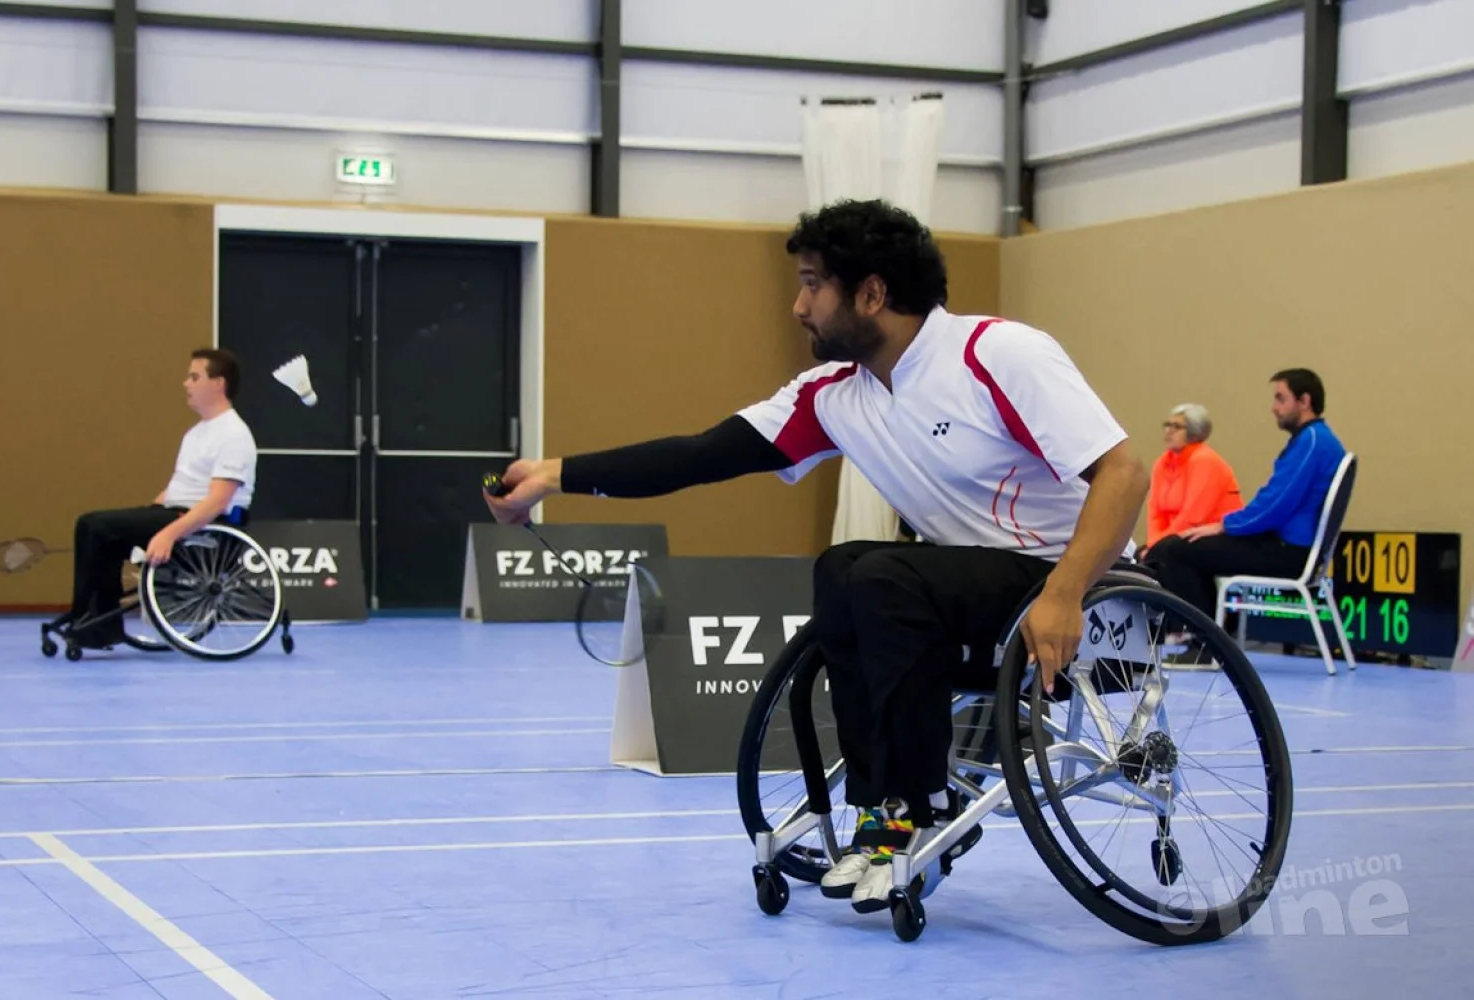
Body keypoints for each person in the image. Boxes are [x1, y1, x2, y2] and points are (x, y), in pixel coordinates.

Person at [484, 199, 1148, 914]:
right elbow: (700, 455)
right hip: (967, 593)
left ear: (871, 293)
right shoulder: (834, 395)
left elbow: (1123, 473)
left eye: (811, 285)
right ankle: (880, 815)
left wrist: (1065, 592)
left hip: (1088, 589)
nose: (798, 307)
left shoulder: (997, 354)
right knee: (843, 569)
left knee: (888, 573)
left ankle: (918, 808)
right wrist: (556, 473)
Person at [57, 348, 257, 649]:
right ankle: (97, 622)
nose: (185, 384)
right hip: (174, 513)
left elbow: (217, 502)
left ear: (218, 383)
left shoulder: (234, 434)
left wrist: (167, 534)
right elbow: (177, 488)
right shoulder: (196, 433)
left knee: (95, 525)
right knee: (97, 531)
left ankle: (88, 619)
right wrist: (146, 515)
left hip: (204, 526)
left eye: (194, 377)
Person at [1145, 369, 1345, 628]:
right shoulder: (1315, 440)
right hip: (1287, 546)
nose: (1274, 408)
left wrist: (1224, 526)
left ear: (1304, 401)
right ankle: (1211, 638)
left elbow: (1274, 505)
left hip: (1289, 551)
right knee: (1180, 547)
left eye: (1280, 398)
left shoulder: (1313, 442)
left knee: (1175, 551)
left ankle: (1204, 644)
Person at [1137, 403, 1242, 561]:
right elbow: (1156, 513)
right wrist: (1153, 543)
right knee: (1140, 554)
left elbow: (1192, 517)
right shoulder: (1162, 463)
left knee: (1166, 555)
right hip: (1177, 538)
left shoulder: (1204, 460)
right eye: (1167, 425)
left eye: (1177, 427)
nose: (1169, 431)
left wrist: (1158, 547)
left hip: (1211, 536)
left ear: (1194, 432)